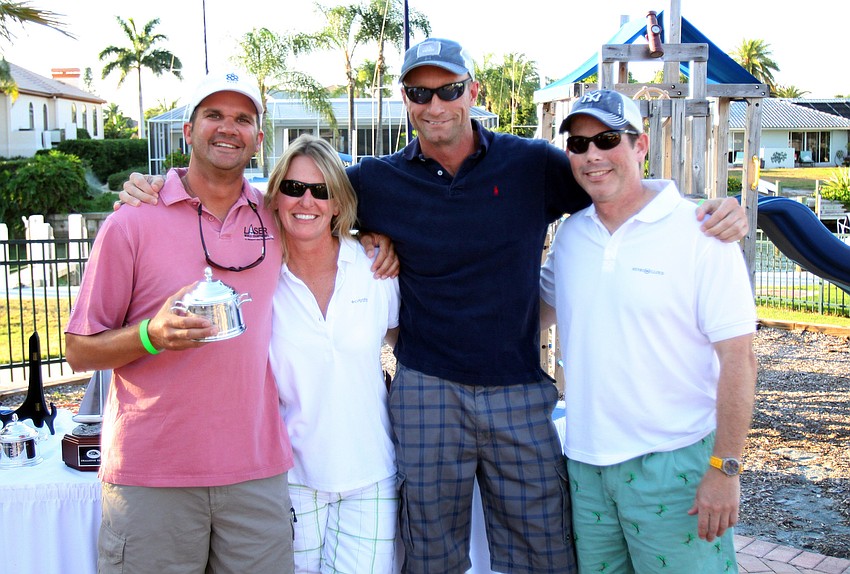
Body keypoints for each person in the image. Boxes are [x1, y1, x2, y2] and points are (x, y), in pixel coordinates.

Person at [119, 38, 749, 574]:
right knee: (431, 555)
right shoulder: (377, 181)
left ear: (473, 93)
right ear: (405, 101)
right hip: (424, 389)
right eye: (419, 93)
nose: (435, 104)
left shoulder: (533, 166)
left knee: (541, 551)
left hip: (518, 392)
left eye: (448, 90)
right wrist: (164, 185)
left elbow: (615, 179)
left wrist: (710, 206)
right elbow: (289, 193)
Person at [64, 71, 296, 574]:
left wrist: (378, 242)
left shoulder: (277, 215)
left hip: (254, 474)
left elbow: (336, 224)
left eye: (242, 119)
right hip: (152, 477)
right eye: (213, 115)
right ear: (188, 131)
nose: (227, 128)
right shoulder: (132, 220)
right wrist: (151, 335)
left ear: (258, 138)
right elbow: (79, 349)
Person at [539, 90, 757, 573]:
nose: (592, 154)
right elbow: (532, 312)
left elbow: (739, 359)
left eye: (608, 139)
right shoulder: (573, 235)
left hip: (674, 466)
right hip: (586, 465)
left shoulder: (702, 232)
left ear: (639, 147)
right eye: (577, 144)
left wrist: (726, 468)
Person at [265, 134, 401, 572]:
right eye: (294, 187)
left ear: (338, 203)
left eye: (321, 190)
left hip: (372, 476)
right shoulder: (261, 275)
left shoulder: (373, 268)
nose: (307, 200)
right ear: (277, 196)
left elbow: (406, 343)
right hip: (291, 479)